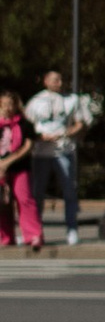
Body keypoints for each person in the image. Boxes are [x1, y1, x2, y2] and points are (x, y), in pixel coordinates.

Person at [25, 71, 86, 244]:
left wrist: (66, 132)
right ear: (45, 81)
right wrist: (40, 137)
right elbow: (27, 126)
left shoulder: (72, 100)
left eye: (60, 79)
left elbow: (80, 123)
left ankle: (72, 229)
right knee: (37, 192)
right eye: (54, 80)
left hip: (63, 151)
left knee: (69, 191)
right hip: (41, 152)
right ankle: (36, 231)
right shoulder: (36, 102)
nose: (59, 82)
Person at [0, 89, 44, 251]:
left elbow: (28, 145)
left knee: (24, 199)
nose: (8, 108)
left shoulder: (24, 123)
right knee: (2, 203)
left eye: (11, 105)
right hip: (0, 170)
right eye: (4, 105)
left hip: (20, 167)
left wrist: (8, 161)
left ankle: (33, 235)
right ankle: (6, 237)